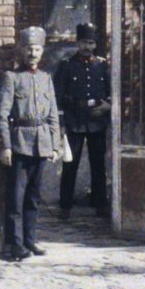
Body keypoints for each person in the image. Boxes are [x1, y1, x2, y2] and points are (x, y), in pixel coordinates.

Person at [0, 25, 62, 262]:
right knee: (15, 197)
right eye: (28, 49)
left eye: (37, 49)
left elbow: (53, 114)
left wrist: (55, 145)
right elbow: (1, 115)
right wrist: (5, 146)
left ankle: (30, 241)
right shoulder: (11, 78)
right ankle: (15, 245)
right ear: (21, 51)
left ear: (42, 51)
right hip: (19, 143)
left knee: (33, 197)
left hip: (41, 143)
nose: (33, 53)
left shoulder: (46, 79)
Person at [55, 21, 111, 220]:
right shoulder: (67, 65)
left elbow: (113, 90)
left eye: (91, 43)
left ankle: (100, 205)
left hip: (97, 120)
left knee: (98, 164)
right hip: (75, 119)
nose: (88, 47)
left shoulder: (102, 65)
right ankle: (65, 206)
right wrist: (62, 121)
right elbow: (58, 94)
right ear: (77, 43)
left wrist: (107, 105)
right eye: (84, 43)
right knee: (71, 164)